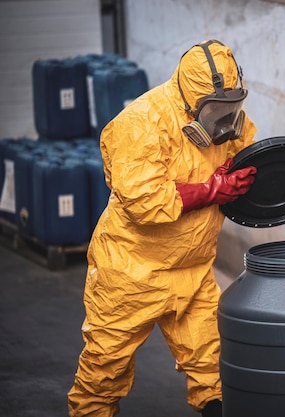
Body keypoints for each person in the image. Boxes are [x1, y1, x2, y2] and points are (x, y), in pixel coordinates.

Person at [67, 40, 258, 417]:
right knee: (105, 368)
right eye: (216, 110)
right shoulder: (141, 124)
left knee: (214, 366)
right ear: (191, 102)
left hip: (193, 268)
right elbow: (145, 202)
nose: (227, 119)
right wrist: (212, 189)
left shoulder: (233, 124)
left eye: (232, 106)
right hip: (131, 270)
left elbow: (251, 159)